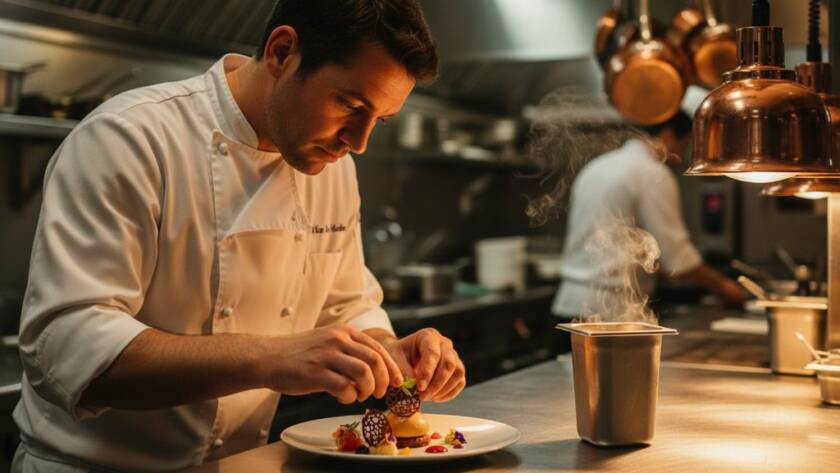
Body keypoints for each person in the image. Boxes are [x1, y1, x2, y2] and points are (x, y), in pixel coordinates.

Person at [12, 1, 465, 471]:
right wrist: (269, 358)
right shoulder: (130, 138)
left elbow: (344, 303)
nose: (359, 141)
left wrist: (385, 349)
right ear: (281, 52)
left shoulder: (333, 168)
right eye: (351, 105)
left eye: (381, 119)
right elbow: (67, 348)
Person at [552, 111, 746, 332]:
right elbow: (678, 258)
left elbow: (618, 247)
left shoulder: (597, 166)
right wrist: (723, 287)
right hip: (610, 312)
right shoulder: (652, 173)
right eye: (684, 146)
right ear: (669, 134)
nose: (681, 157)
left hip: (568, 305)